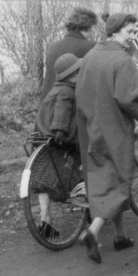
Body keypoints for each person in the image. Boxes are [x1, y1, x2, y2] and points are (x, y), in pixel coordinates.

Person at [75, 13, 138, 262]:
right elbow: (132, 100)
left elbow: (80, 93)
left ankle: (121, 234)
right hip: (114, 128)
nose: (134, 37)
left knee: (102, 178)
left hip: (91, 126)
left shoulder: (91, 55)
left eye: (136, 32)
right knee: (120, 180)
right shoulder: (122, 60)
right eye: (129, 33)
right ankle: (93, 231)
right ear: (114, 33)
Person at [32, 53, 84, 239]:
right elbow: (61, 115)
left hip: (45, 138)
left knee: (45, 178)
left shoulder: (55, 89)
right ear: (70, 75)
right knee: (76, 168)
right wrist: (60, 132)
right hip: (61, 139)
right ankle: (91, 210)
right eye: (77, 71)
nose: (80, 73)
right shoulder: (67, 92)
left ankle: (45, 220)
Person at [41, 7, 97, 98]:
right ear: (89, 26)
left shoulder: (52, 46)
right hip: (68, 103)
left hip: (47, 102)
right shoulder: (92, 46)